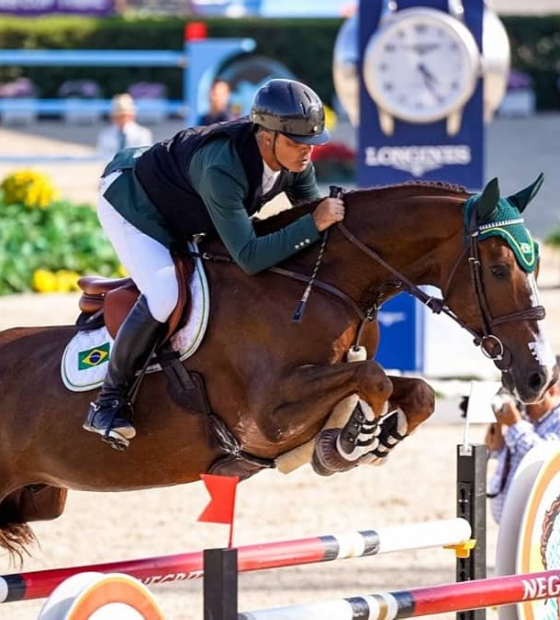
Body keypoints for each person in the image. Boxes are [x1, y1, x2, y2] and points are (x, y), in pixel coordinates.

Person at [83, 78, 346, 450]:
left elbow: (309, 217)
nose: (306, 154)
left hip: (179, 207)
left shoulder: (296, 161)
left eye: (311, 145)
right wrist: (314, 223)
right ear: (266, 136)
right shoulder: (223, 166)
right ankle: (108, 403)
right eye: (296, 144)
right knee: (164, 294)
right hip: (134, 205)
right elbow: (252, 256)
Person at [486, 381, 560, 523]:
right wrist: (497, 423)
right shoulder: (524, 415)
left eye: (530, 395)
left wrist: (515, 424)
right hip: (507, 520)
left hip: (534, 524)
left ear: (551, 391)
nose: (524, 401)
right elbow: (494, 450)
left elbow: (544, 460)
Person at [96, 94, 153, 161]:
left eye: (124, 116)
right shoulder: (105, 134)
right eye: (118, 117)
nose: (122, 119)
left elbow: (143, 156)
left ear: (132, 116)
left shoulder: (143, 133)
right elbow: (101, 156)